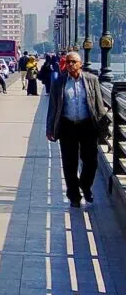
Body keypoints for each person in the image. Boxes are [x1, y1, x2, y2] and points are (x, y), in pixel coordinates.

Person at [46, 51, 110, 207]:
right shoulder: (59, 82)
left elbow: (99, 106)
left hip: (87, 125)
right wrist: (50, 128)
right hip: (67, 126)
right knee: (69, 163)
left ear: (80, 64)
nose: (70, 65)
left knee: (91, 161)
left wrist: (104, 128)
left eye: (73, 61)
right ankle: (74, 196)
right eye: (68, 62)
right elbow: (53, 107)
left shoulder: (91, 80)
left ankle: (85, 185)